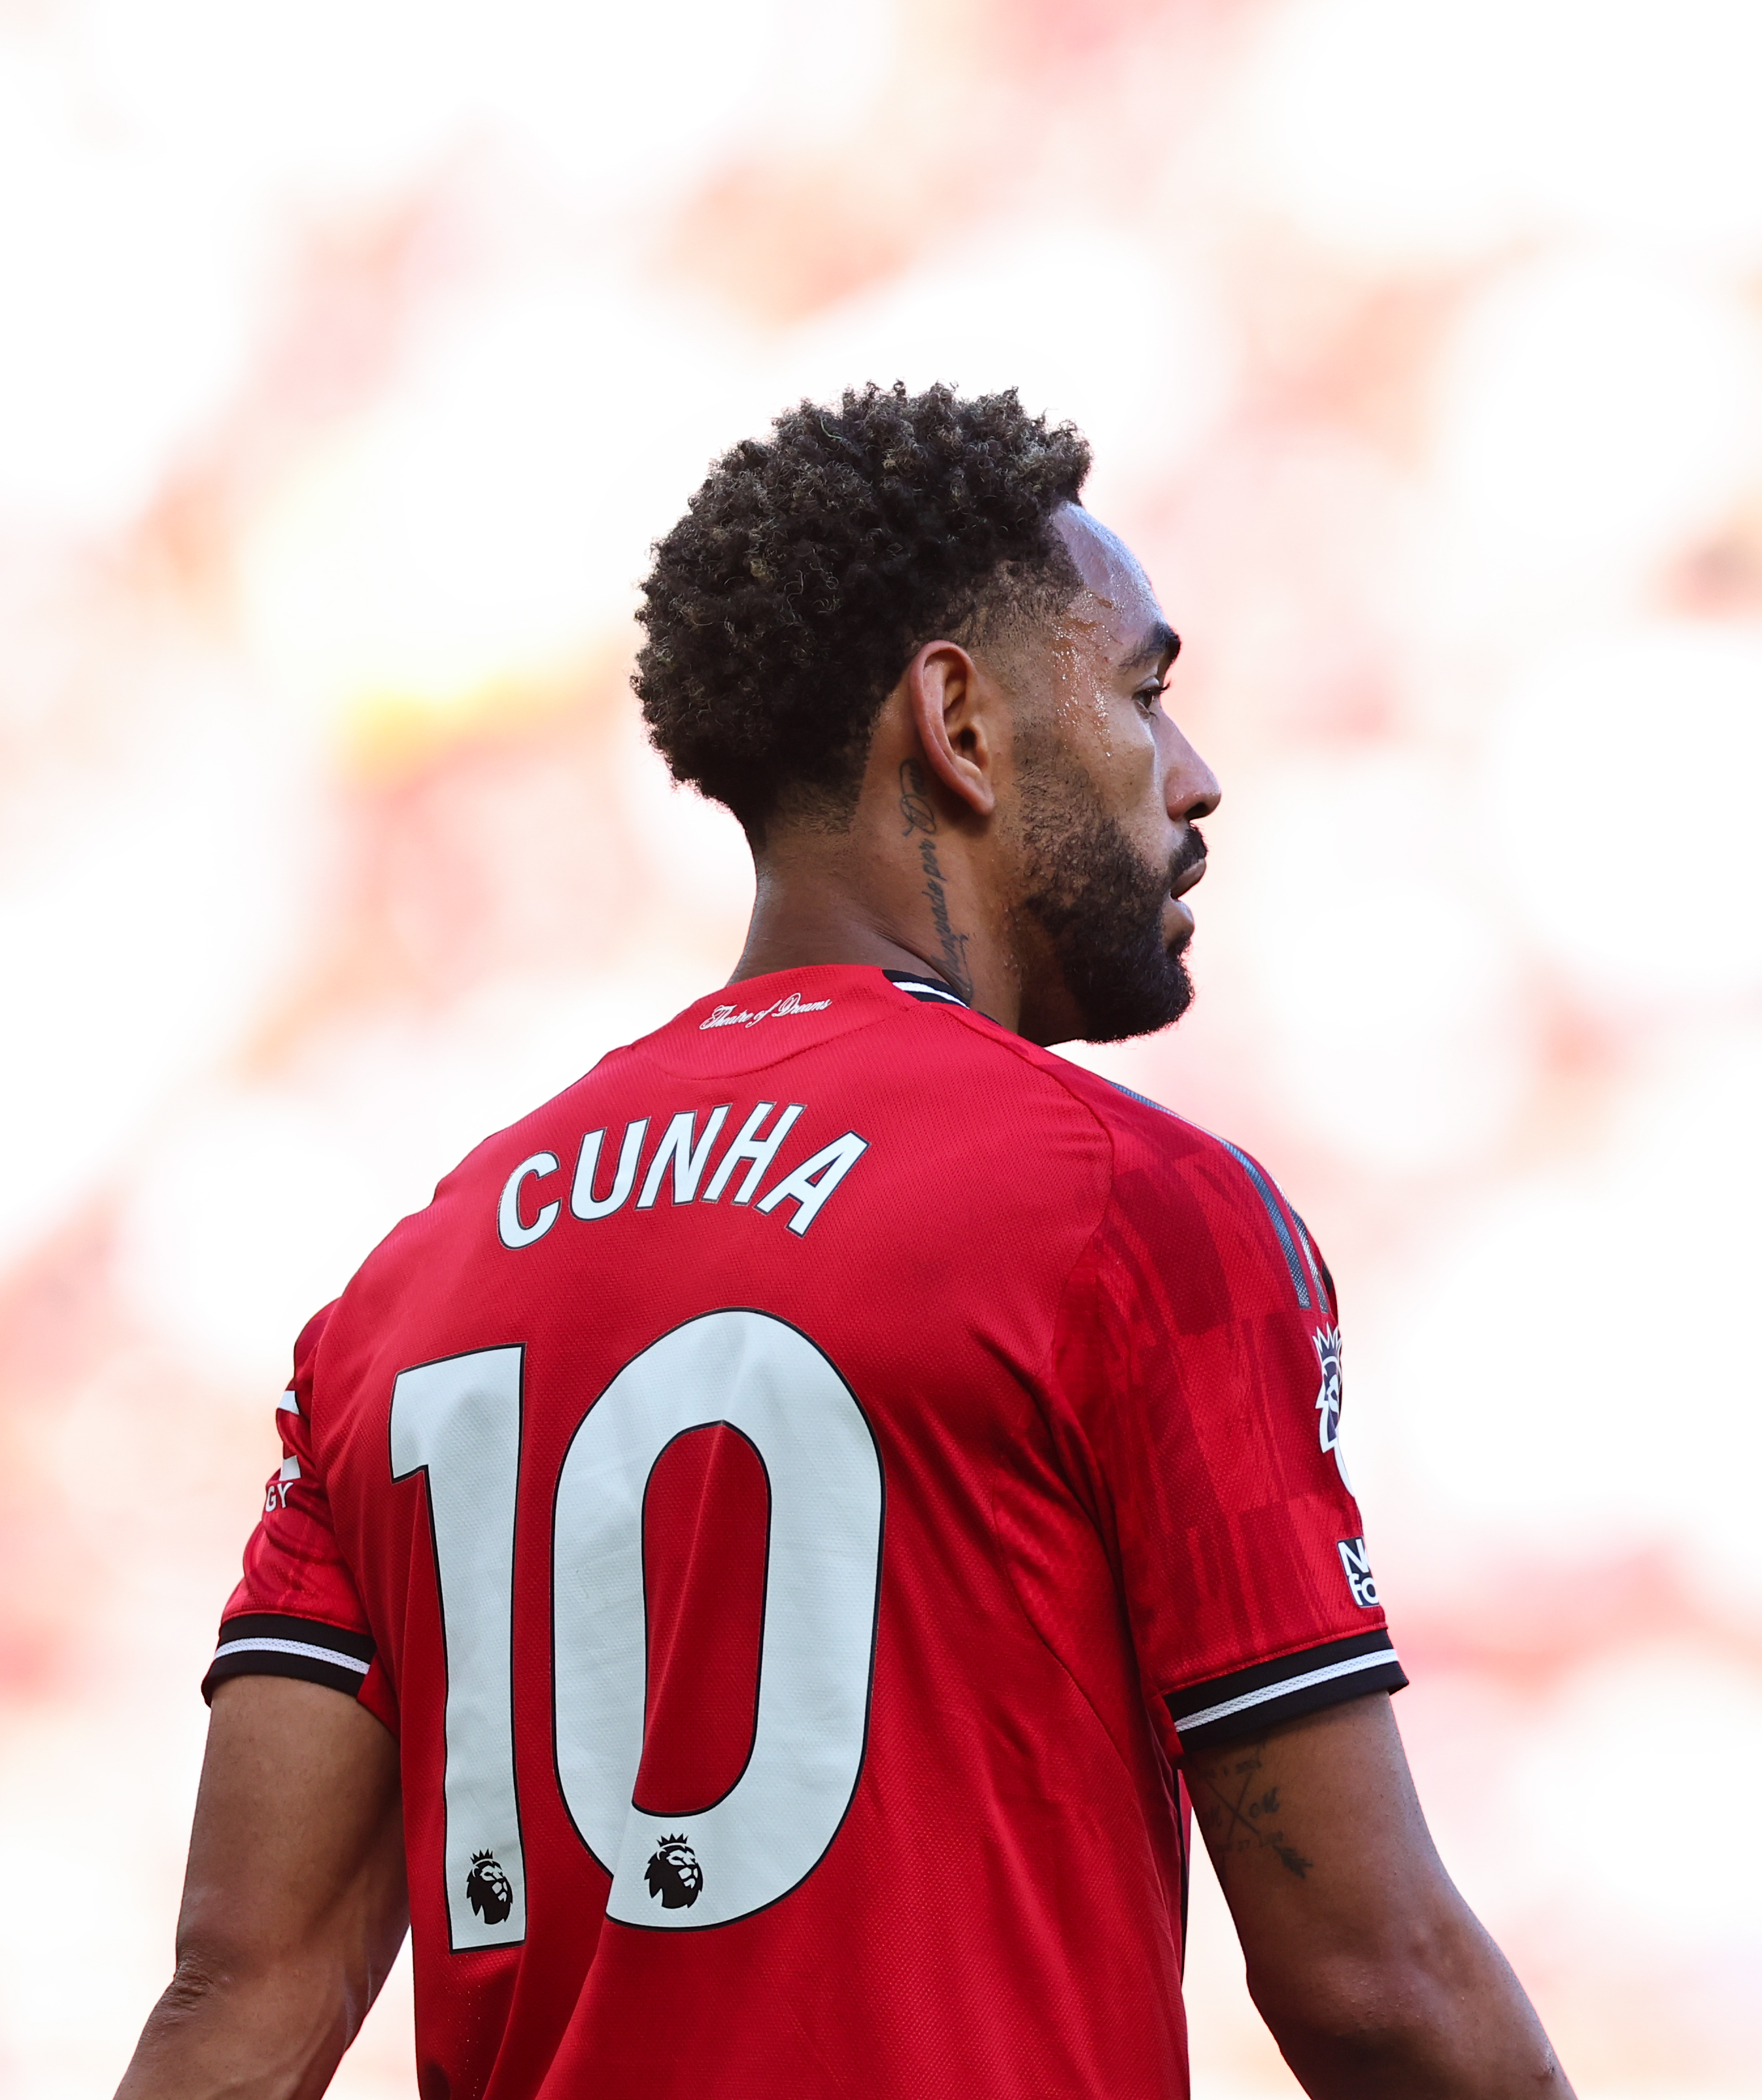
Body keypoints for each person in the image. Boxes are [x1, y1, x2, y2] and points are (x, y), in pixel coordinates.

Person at [116, 384, 1570, 2100]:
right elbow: (1372, 1977)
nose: (1194, 776)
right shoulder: (1125, 1210)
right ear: (956, 718)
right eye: (1143, 690)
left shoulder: (409, 1288)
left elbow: (238, 2012)